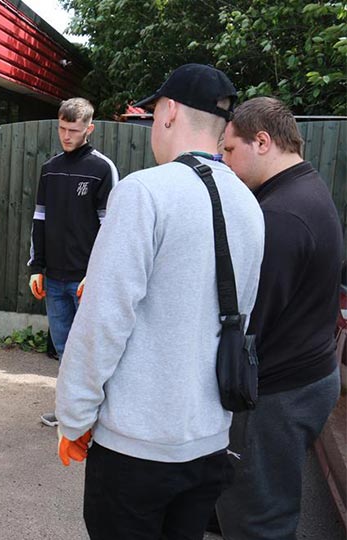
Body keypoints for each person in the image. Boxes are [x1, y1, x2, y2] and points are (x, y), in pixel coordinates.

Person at [55, 64, 265, 539]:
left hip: (138, 448)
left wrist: (75, 417)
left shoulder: (144, 192)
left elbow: (103, 321)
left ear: (168, 112)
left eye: (153, 114)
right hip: (210, 441)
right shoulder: (250, 205)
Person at [215, 97, 343, 540]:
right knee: (258, 497)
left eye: (229, 151)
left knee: (259, 519)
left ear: (262, 141)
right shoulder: (304, 188)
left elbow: (250, 321)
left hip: (280, 392)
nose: (224, 161)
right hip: (308, 374)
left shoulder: (281, 215)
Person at [27, 97, 118, 428]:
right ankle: (69, 412)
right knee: (65, 350)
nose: (66, 136)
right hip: (53, 277)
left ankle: (101, 417)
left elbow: (111, 229)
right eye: (62, 129)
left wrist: (97, 275)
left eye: (74, 130)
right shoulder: (49, 169)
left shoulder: (101, 169)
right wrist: (36, 266)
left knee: (92, 351)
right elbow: (39, 218)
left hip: (86, 280)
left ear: (88, 129)